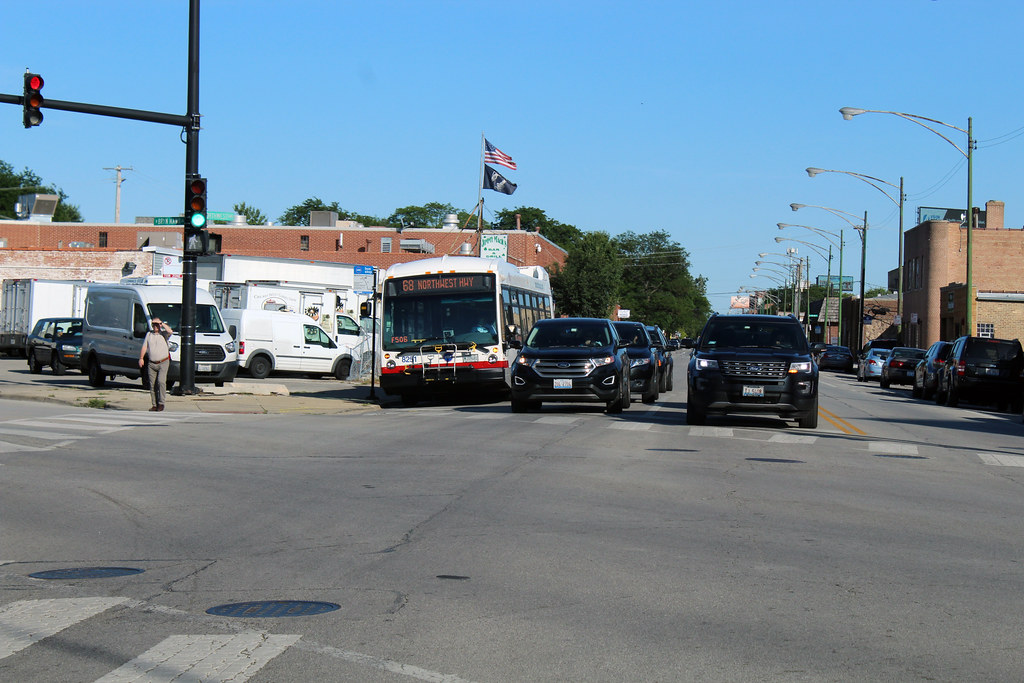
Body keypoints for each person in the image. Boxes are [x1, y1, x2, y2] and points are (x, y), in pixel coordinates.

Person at [139, 318, 172, 411]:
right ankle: (154, 404)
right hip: (152, 363)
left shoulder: (164, 334)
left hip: (163, 362)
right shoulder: (149, 335)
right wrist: (141, 358)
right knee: (152, 384)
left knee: (161, 382)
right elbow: (145, 346)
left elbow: (170, 331)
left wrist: (162, 323)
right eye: (154, 324)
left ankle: (161, 403)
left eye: (157, 325)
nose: (155, 326)